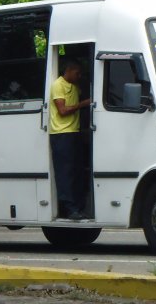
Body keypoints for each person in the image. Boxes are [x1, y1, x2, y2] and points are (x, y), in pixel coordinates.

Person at [49, 60, 91, 220]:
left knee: (77, 171)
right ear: (69, 70)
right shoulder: (58, 85)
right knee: (65, 173)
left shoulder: (75, 86)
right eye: (77, 73)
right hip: (61, 134)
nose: (79, 76)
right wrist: (83, 104)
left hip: (74, 132)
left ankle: (79, 207)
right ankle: (68, 208)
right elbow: (62, 110)